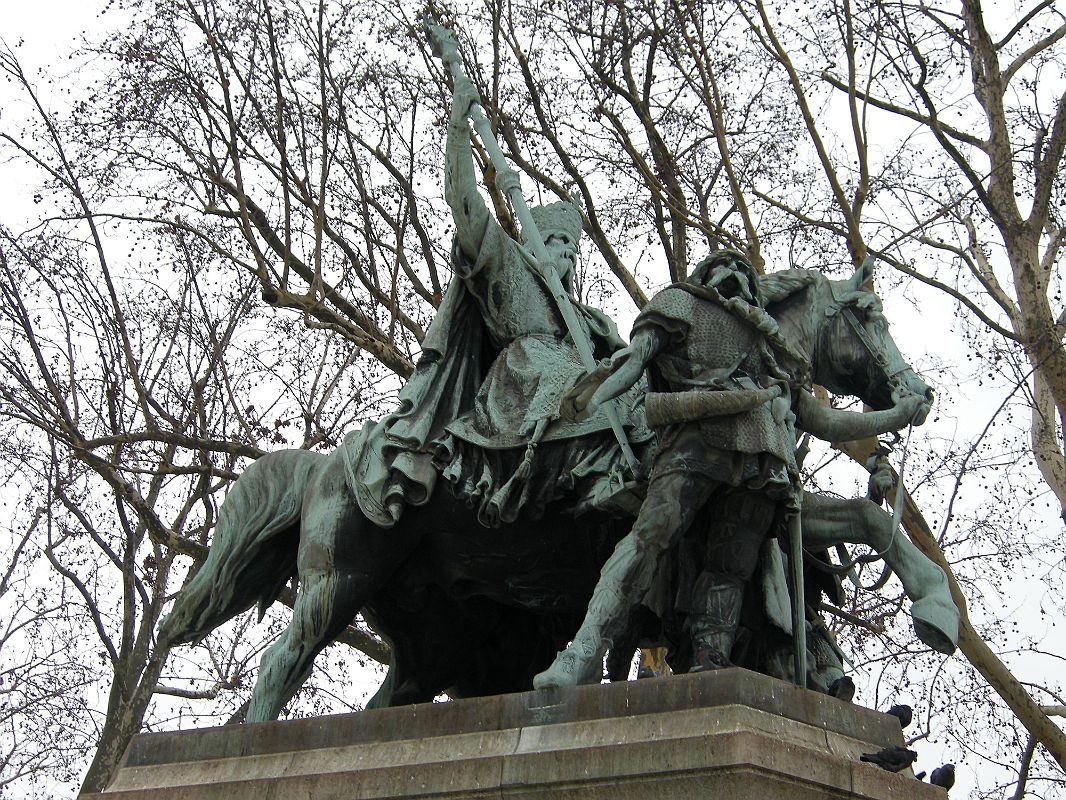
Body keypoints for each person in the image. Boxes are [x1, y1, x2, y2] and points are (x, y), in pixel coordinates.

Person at [534, 250, 929, 687]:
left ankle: (710, 660)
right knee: (649, 538)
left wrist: (893, 415)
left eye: (744, 269)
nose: (736, 274)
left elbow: (821, 419)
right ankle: (585, 649)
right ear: (706, 275)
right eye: (724, 267)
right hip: (694, 444)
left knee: (732, 568)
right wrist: (596, 391)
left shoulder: (773, 343)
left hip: (763, 466)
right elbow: (635, 360)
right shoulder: (680, 303)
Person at [343, 73, 649, 528]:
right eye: (555, 240)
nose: (565, 250)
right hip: (523, 395)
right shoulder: (512, 266)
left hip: (582, 384)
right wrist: (459, 130)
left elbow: (626, 362)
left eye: (571, 245)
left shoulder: (590, 321)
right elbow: (465, 205)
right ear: (535, 240)